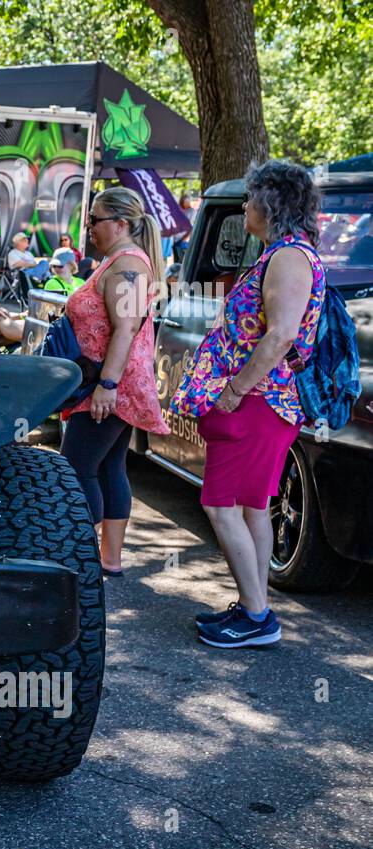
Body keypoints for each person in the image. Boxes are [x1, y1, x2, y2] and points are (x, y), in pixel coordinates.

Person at [171, 161, 327, 649]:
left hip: (255, 403)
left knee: (220, 506)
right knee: (253, 508)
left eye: (250, 197)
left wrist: (235, 390)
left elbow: (280, 334)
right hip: (262, 404)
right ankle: (254, 606)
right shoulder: (283, 254)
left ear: (271, 203)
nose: (244, 207)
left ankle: (258, 616)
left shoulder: (289, 258)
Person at [59, 186, 170, 575]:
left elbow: (125, 330)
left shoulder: (128, 265)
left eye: (94, 219)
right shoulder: (118, 262)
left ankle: (80, 561)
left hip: (109, 387)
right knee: (108, 468)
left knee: (77, 468)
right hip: (110, 384)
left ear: (120, 224)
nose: (88, 227)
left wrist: (107, 387)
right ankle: (107, 560)